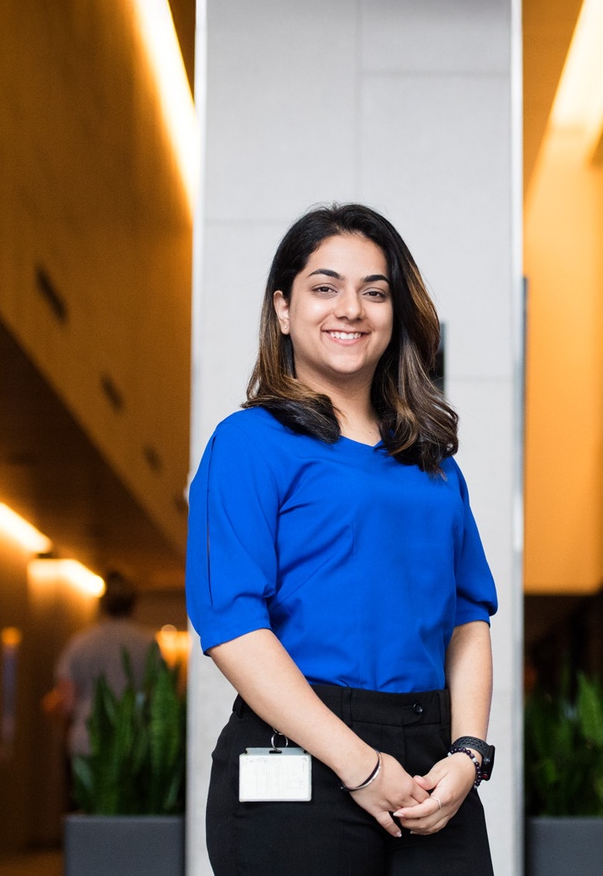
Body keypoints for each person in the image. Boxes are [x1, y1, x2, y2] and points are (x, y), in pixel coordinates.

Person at [186, 203, 498, 875]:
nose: (351, 309)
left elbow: (469, 617)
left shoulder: (434, 465)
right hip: (300, 753)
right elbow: (232, 625)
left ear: (395, 313)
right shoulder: (248, 443)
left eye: (374, 292)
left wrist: (468, 755)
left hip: (432, 769)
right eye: (324, 287)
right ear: (283, 309)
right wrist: (361, 765)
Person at [55, 570, 157, 759]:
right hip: (133, 741)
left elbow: (68, 703)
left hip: (87, 738)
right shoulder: (148, 644)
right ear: (133, 603)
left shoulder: (81, 642)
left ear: (103, 603)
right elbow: (156, 696)